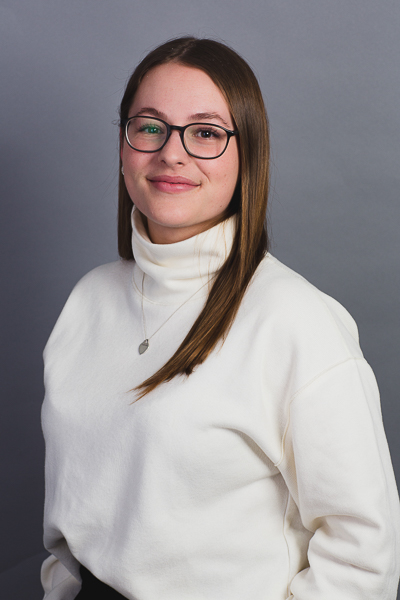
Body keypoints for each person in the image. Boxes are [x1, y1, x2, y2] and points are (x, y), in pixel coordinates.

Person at [41, 37, 400, 600]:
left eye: (206, 132)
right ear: (124, 144)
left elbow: (364, 557)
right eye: (150, 126)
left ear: (247, 153)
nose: (172, 153)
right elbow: (76, 519)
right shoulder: (88, 300)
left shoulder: (296, 322)